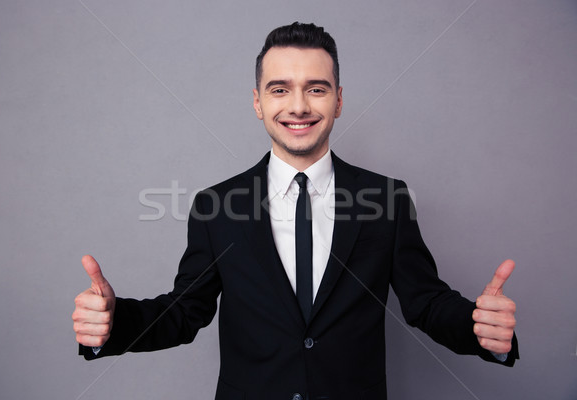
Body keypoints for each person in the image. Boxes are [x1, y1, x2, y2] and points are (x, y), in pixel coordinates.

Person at [72, 22, 518, 399]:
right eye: (280, 89)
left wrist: (477, 328)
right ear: (258, 102)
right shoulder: (215, 207)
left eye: (316, 89)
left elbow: (425, 303)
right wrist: (116, 322)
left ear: (338, 101)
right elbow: (186, 312)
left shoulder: (387, 200)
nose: (299, 105)